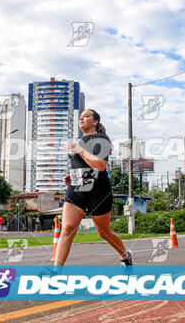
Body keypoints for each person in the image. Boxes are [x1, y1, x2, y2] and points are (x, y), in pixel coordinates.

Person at [52, 109, 132, 271]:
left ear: (95, 122)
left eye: (86, 116)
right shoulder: (79, 140)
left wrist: (79, 149)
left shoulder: (99, 138)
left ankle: (125, 256)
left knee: (104, 233)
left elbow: (100, 165)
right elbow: (83, 165)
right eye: (80, 117)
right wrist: (72, 175)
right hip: (77, 188)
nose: (82, 118)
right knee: (67, 228)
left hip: (99, 192)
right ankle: (56, 273)